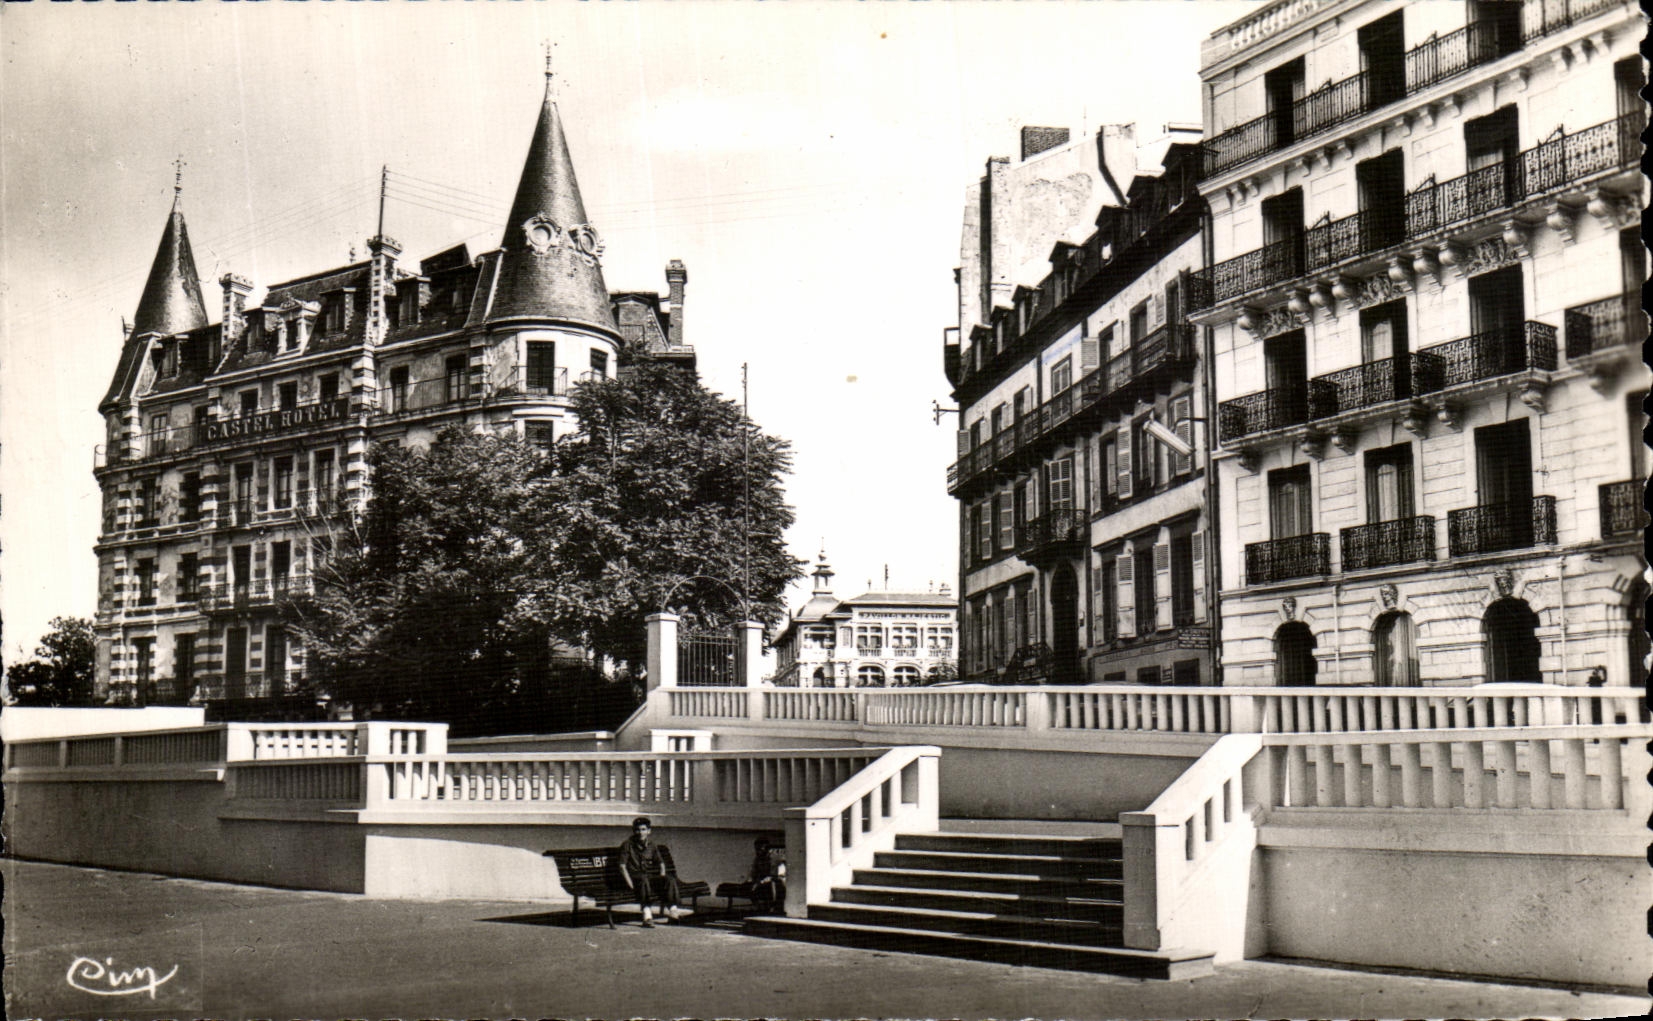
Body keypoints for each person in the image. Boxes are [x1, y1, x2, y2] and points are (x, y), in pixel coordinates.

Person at [618, 817, 681, 928]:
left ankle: (673, 912)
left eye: (643, 829)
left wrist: (661, 878)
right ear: (634, 831)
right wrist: (630, 885)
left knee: (669, 880)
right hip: (635, 878)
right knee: (643, 880)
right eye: (637, 830)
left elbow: (661, 863)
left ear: (648, 831)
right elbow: (622, 867)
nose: (640, 832)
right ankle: (647, 916)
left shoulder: (652, 845)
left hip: (648, 877)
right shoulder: (627, 845)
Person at [749, 837, 785, 913]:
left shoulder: (773, 858)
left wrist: (761, 882)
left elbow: (773, 874)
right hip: (761, 880)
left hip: (773, 880)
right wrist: (753, 880)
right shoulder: (758, 859)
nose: (758, 851)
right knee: (751, 887)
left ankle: (773, 906)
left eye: (760, 848)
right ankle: (759, 906)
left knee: (773, 885)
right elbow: (754, 871)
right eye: (757, 849)